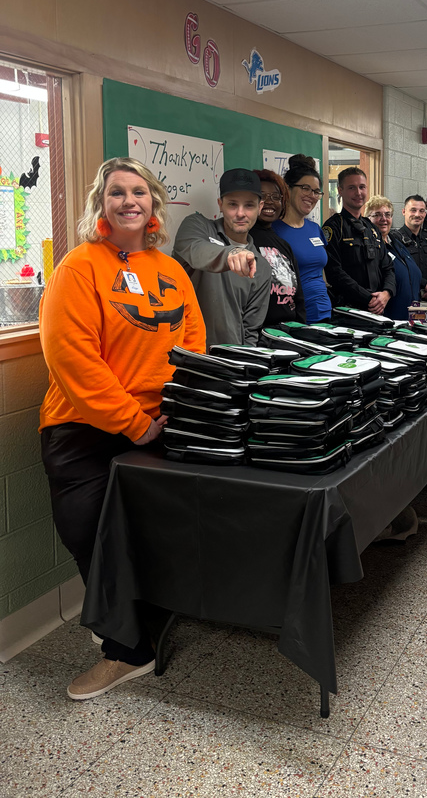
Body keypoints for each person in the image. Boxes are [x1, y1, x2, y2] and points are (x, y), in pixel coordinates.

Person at [39, 157, 206, 701]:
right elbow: (72, 359)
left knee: (146, 534)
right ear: (101, 204)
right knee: (89, 536)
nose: (129, 200)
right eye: (116, 192)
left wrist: (177, 408)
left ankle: (137, 626)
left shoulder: (171, 270)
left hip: (159, 426)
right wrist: (132, 423)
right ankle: (126, 650)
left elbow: (193, 345)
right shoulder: (79, 267)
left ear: (153, 203)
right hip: (83, 429)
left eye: (139, 191)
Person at [173, 168, 271, 347]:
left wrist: (245, 358)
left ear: (260, 207)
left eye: (249, 205)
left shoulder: (261, 267)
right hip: (187, 354)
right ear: (220, 204)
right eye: (232, 204)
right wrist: (231, 253)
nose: (240, 213)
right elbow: (196, 251)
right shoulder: (197, 227)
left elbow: (250, 329)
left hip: (230, 358)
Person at [323, 167, 395, 314]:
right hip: (348, 310)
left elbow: (388, 267)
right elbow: (334, 273)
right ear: (340, 190)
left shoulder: (371, 228)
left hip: (378, 309)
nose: (358, 193)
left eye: (362, 187)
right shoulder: (333, 227)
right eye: (352, 188)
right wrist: (368, 298)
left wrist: (387, 293)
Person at [272, 155, 331, 322]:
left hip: (324, 312)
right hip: (296, 318)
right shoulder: (274, 231)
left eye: (316, 191)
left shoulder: (315, 229)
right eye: (305, 188)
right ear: (288, 188)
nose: (312, 195)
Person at [251, 168, 306, 325]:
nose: (269, 201)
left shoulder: (283, 245)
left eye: (276, 197)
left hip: (289, 331)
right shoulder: (244, 240)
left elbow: (299, 296)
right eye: (262, 196)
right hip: (260, 333)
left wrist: (300, 329)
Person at [366, 195, 421, 320]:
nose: (383, 219)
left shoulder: (397, 243)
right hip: (389, 318)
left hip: (411, 317)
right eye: (377, 215)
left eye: (387, 214)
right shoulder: (370, 248)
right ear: (368, 219)